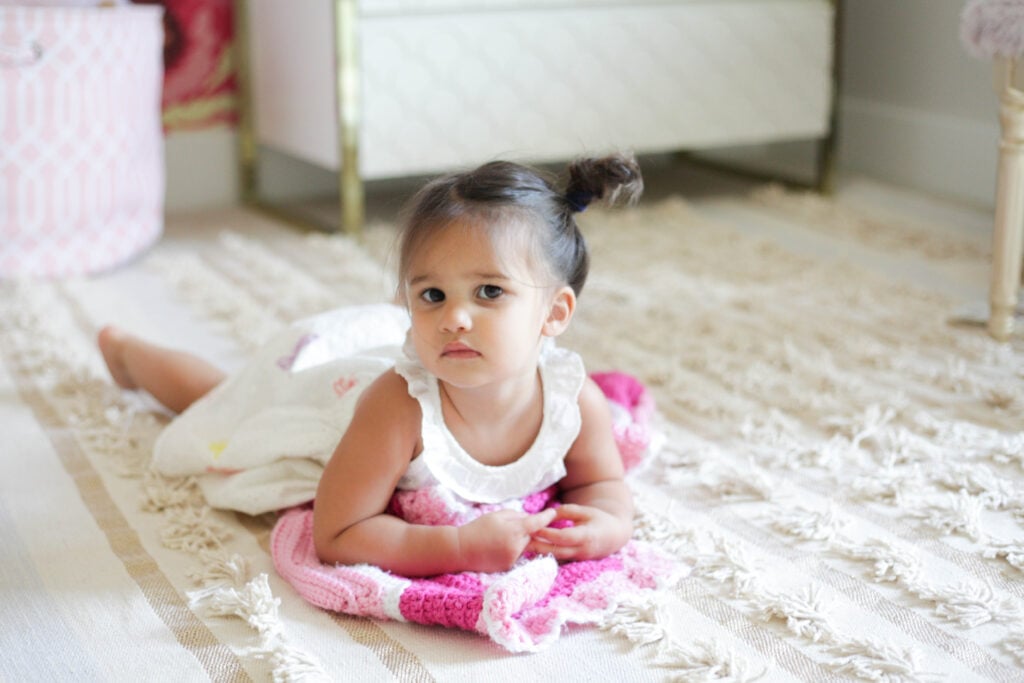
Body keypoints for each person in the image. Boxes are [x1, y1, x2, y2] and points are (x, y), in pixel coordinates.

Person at [99, 152, 645, 578]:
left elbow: (601, 484)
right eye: (431, 294)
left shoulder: (574, 401)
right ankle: (128, 353)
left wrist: (605, 526)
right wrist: (457, 547)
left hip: (378, 355)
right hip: (321, 393)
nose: (455, 317)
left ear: (554, 312)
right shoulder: (397, 408)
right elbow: (339, 532)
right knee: (221, 403)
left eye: (488, 291)